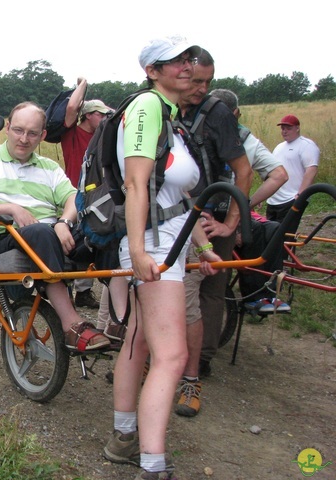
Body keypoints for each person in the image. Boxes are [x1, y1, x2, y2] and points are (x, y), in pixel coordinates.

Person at [103, 36, 220, 480]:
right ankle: (151, 465)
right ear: (152, 70)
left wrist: (203, 247)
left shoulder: (172, 117)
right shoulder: (149, 108)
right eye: (176, 61)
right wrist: (136, 252)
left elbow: (176, 196)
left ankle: (123, 437)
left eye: (189, 58)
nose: (187, 66)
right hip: (153, 247)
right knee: (172, 356)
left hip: (167, 242)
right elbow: (136, 184)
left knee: (142, 339)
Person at [0, 101, 111, 352]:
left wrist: (64, 222)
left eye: (32, 133)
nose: (24, 139)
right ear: (7, 128)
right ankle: (72, 324)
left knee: (108, 230)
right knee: (40, 232)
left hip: (50, 233)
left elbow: (73, 199)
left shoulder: (49, 167)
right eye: (18, 130)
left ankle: (118, 323)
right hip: (4, 238)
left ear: (43, 136)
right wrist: (10, 209)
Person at [175, 49, 253, 417]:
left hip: (210, 216)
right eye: (195, 81)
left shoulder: (217, 113)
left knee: (208, 292)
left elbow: (244, 169)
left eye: (207, 81)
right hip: (181, 216)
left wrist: (232, 223)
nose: (201, 88)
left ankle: (198, 365)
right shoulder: (171, 107)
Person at [209, 89, 290, 313]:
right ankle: (260, 295)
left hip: (213, 211)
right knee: (267, 230)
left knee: (266, 229)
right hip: (214, 213)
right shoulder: (245, 138)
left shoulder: (201, 131)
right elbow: (279, 175)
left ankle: (258, 293)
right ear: (237, 113)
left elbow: (280, 175)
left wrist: (244, 209)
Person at [61, 77, 113, 309]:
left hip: (95, 196)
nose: (104, 118)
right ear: (87, 115)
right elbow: (72, 108)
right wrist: (83, 83)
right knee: (69, 241)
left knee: (88, 241)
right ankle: (65, 289)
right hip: (71, 194)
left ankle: (83, 291)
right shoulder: (71, 133)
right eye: (100, 114)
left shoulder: (102, 135)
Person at [266, 114, 320, 234]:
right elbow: (272, 170)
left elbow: (311, 170)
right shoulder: (279, 147)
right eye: (283, 128)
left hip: (291, 197)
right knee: (270, 233)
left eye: (288, 128)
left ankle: (286, 252)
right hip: (274, 199)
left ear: (297, 128)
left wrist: (300, 195)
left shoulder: (306, 145)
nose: (284, 131)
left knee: (285, 234)